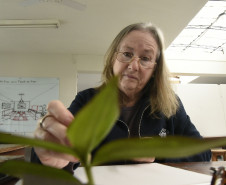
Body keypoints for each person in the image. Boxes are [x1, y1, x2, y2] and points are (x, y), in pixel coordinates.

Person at [31, 22, 211, 171]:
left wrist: (159, 152)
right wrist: (50, 155)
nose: (133, 66)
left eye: (145, 58)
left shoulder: (171, 105)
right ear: (112, 59)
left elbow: (203, 153)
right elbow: (57, 152)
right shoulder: (86, 100)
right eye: (127, 54)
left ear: (154, 70)